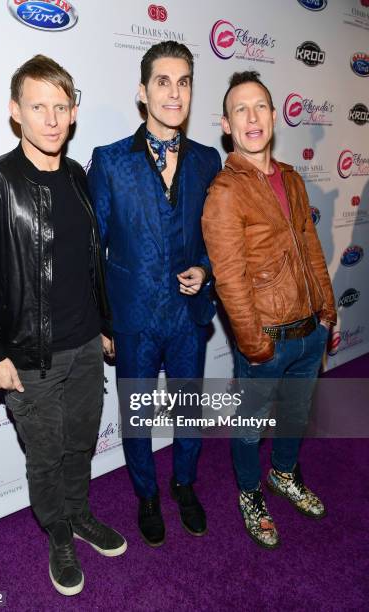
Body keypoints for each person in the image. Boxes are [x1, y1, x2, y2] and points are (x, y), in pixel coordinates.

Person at [0, 55, 126, 597]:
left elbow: (88, 262)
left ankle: (79, 514)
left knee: (80, 444)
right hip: (29, 357)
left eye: (61, 107)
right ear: (16, 111)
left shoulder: (77, 176)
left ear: (73, 112)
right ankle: (57, 533)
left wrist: (103, 325)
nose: (52, 120)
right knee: (46, 454)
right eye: (38, 107)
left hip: (84, 347)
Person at [88, 41, 221, 547]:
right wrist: (104, 323)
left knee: (189, 411)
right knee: (137, 415)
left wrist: (205, 271)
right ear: (143, 93)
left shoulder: (208, 161)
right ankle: (146, 494)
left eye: (184, 82)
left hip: (188, 316)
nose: (174, 92)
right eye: (163, 82)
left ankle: (184, 485)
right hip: (134, 319)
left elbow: (220, 240)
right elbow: (93, 252)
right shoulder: (110, 161)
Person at [202, 71, 336, 549]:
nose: (252, 117)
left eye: (260, 107)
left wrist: (327, 313)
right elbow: (229, 278)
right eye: (241, 109)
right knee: (248, 429)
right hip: (267, 342)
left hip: (309, 333)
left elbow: (311, 248)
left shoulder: (293, 179)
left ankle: (283, 474)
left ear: (274, 117)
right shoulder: (224, 191)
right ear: (226, 124)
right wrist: (254, 344)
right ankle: (250, 492)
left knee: (295, 418)